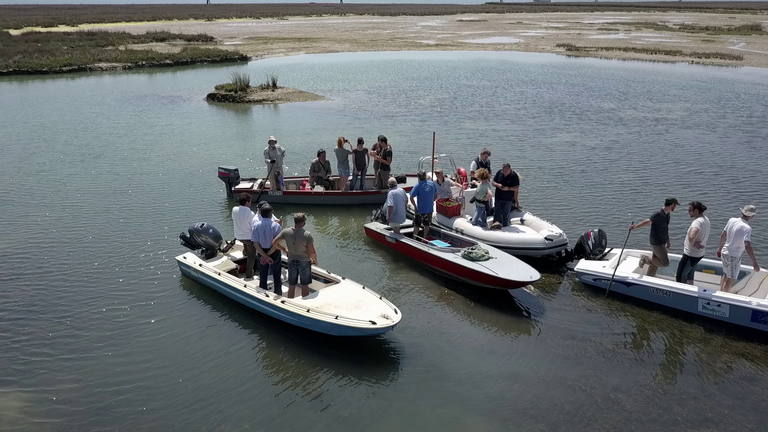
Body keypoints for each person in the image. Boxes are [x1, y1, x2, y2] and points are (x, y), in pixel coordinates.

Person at [629, 197, 679, 278]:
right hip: (656, 242)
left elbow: (665, 228)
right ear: (672, 205)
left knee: (655, 263)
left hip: (662, 242)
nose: (675, 207)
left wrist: (668, 240)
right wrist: (635, 227)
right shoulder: (658, 214)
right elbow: (647, 222)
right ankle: (644, 258)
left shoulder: (668, 215)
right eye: (675, 205)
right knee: (664, 263)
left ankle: (649, 278)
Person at [272, 213, 318, 299]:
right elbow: (312, 251)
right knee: (305, 285)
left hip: (291, 260)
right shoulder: (307, 235)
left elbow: (274, 243)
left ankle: (290, 302)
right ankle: (305, 303)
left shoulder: (286, 232)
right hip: (304, 262)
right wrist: (315, 260)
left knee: (291, 285)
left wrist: (284, 249)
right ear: (303, 222)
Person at [717, 205, 760, 292]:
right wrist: (754, 262)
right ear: (752, 216)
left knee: (726, 275)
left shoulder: (731, 220)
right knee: (731, 279)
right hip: (734, 256)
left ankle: (721, 292)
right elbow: (747, 245)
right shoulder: (747, 228)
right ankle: (723, 297)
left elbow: (723, 235)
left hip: (724, 253)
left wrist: (719, 248)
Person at [675, 201, 710, 285]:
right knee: (690, 275)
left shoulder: (697, 222)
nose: (688, 212)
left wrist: (693, 243)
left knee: (680, 277)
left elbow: (691, 236)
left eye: (690, 210)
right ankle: (691, 290)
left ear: (696, 211)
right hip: (699, 254)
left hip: (690, 255)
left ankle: (682, 294)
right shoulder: (706, 219)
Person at [251, 204, 283, 295]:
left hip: (261, 251)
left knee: (263, 274)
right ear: (271, 214)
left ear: (260, 214)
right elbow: (276, 244)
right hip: (274, 251)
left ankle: (263, 293)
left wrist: (264, 256)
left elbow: (255, 244)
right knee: (277, 274)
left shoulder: (256, 226)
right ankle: (278, 293)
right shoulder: (277, 226)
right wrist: (268, 255)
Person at [232, 193, 257, 279]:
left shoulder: (234, 209)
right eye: (250, 201)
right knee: (252, 255)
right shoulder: (250, 213)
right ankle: (249, 273)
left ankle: (245, 253)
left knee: (246, 248)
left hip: (239, 236)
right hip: (248, 238)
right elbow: (254, 226)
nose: (251, 203)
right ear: (247, 202)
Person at [490, 163, 520, 230]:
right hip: (498, 197)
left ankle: (505, 228)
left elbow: (517, 187)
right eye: (503, 170)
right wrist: (498, 185)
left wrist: (508, 188)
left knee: (505, 214)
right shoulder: (499, 172)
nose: (504, 172)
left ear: (509, 169)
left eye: (506, 171)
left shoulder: (514, 175)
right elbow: (493, 182)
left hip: (508, 199)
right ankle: (495, 227)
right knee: (497, 213)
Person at [410, 169, 437, 239]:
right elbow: (436, 194)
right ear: (425, 176)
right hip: (429, 209)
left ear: (418, 177)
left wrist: (415, 207)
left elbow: (411, 197)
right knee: (427, 225)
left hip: (420, 210)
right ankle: (425, 239)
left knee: (417, 225)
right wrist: (432, 201)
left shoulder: (417, 186)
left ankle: (414, 238)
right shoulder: (432, 184)